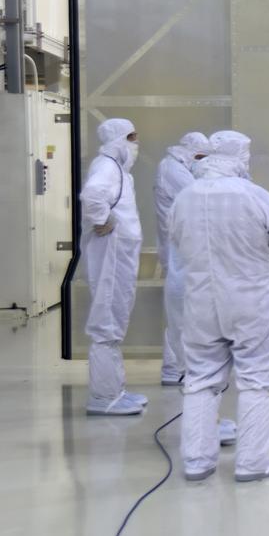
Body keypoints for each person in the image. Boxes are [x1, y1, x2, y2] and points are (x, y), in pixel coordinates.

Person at [170, 131, 269, 482]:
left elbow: (177, 241)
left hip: (200, 302)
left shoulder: (186, 197)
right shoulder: (254, 196)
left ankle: (196, 461)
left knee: (200, 380)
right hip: (250, 300)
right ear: (241, 156)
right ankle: (253, 464)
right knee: (256, 380)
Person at [81, 118, 146, 416]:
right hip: (110, 253)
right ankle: (103, 397)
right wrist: (101, 220)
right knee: (107, 319)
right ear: (118, 139)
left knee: (116, 317)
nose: (135, 145)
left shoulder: (117, 169)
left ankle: (115, 390)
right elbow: (93, 195)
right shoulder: (106, 166)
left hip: (119, 254)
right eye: (131, 138)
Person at [154, 132, 211, 385]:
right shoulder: (172, 168)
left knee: (183, 311)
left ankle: (177, 367)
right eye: (199, 157)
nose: (201, 162)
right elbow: (199, 195)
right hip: (178, 248)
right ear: (188, 151)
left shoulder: (178, 166)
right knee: (180, 312)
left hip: (183, 247)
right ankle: (178, 368)